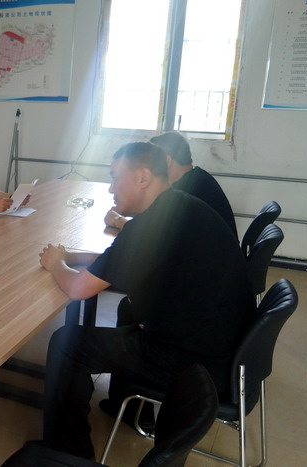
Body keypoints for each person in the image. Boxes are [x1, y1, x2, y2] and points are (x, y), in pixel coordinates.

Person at [36, 142, 254, 459]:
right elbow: (118, 259)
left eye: (115, 177)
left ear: (142, 177)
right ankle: (127, 406)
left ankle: (68, 453)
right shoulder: (179, 208)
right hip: (224, 352)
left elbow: (80, 289)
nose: (111, 188)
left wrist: (56, 264)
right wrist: (70, 256)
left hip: (194, 367)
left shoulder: (149, 225)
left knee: (66, 345)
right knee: (127, 309)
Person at [104, 131, 237, 239]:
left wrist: (117, 219)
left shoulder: (189, 191)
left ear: (167, 161)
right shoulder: (198, 177)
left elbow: (148, 234)